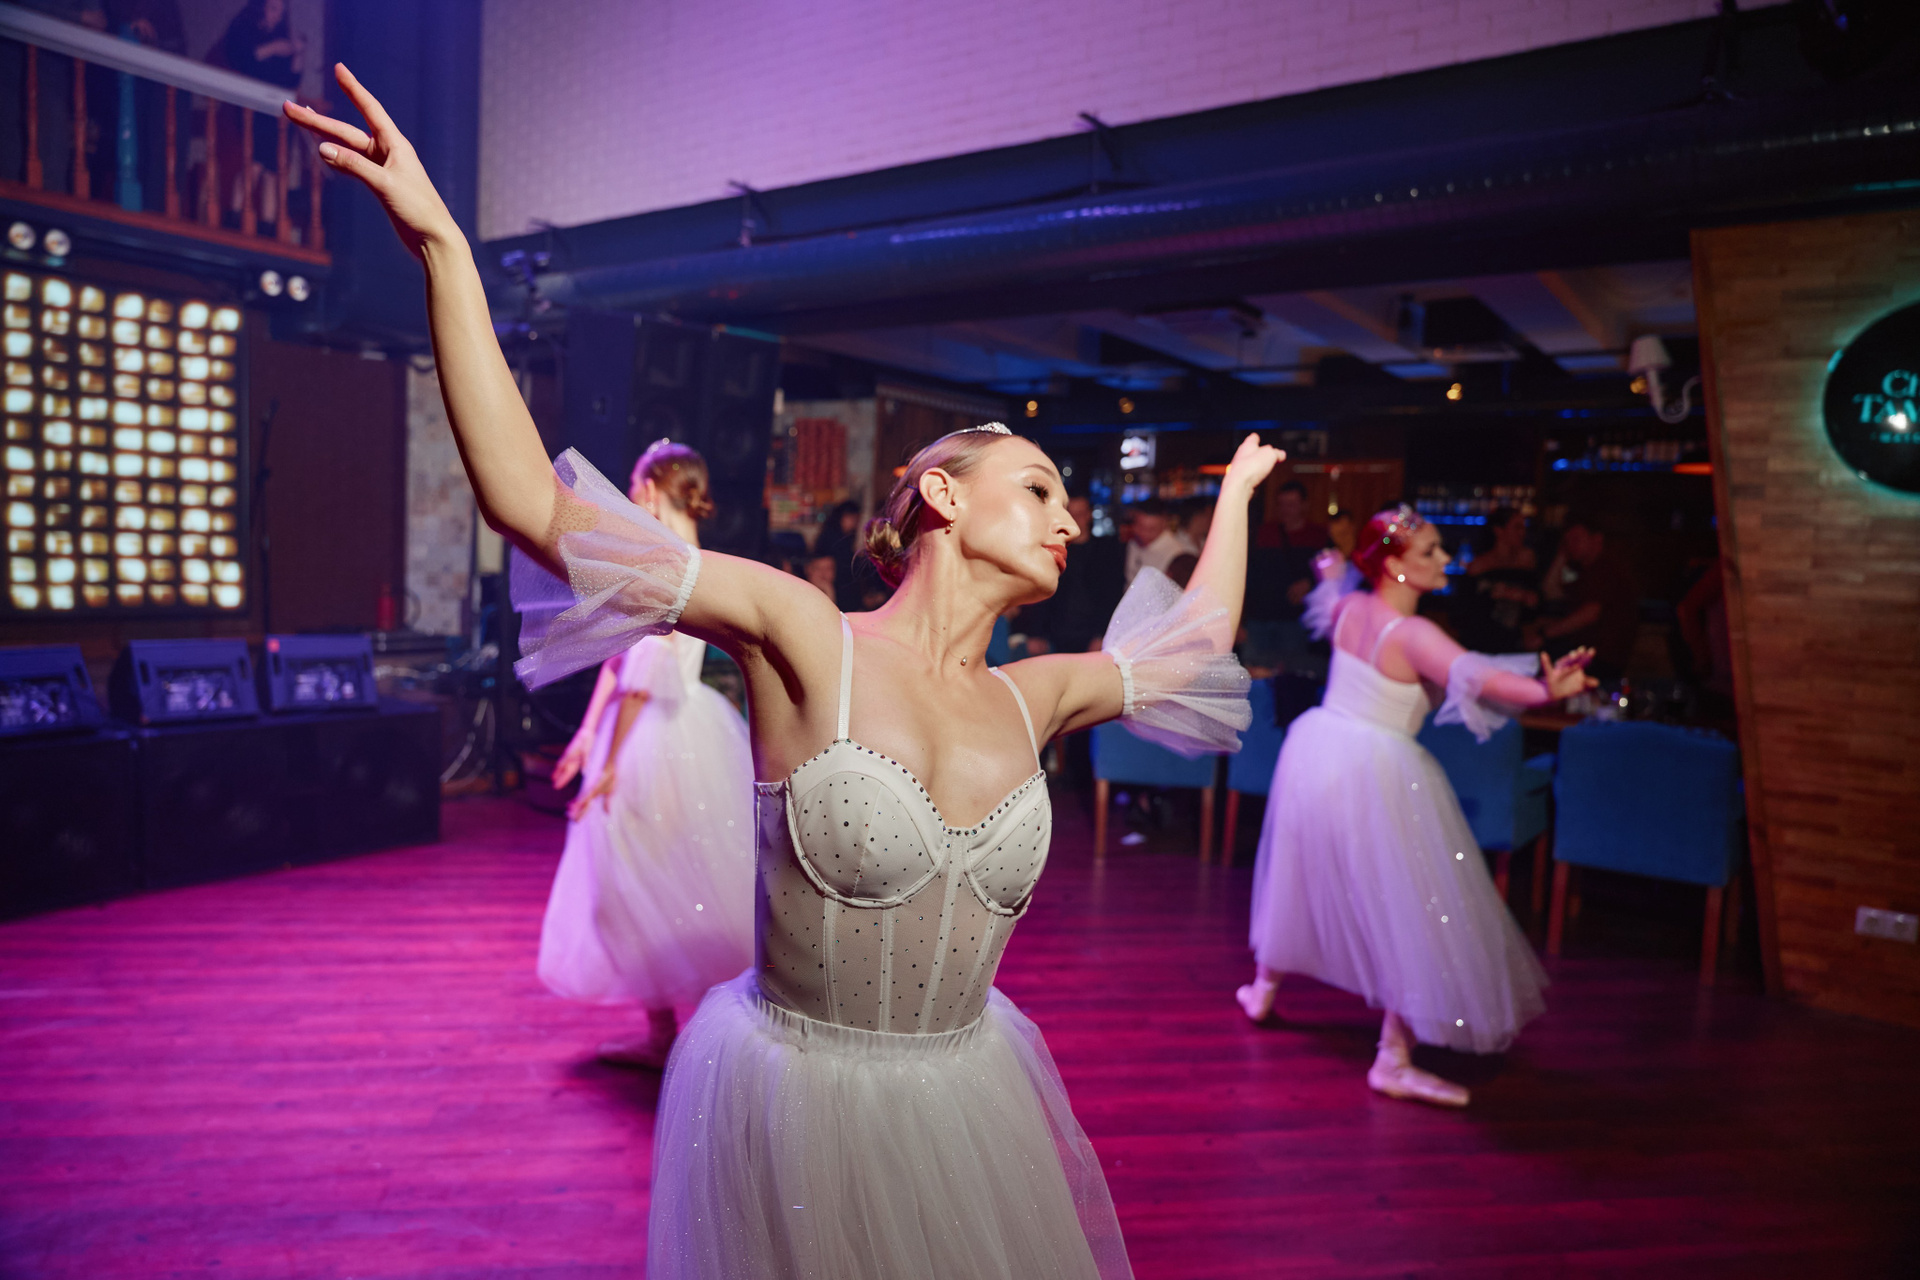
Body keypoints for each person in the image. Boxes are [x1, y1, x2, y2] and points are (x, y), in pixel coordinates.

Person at [289, 68, 1279, 1279]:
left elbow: (1197, 647)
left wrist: (1237, 493)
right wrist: (447, 251)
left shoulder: (1038, 695)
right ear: (942, 494)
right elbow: (535, 507)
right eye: (1040, 488)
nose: (1070, 518)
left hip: (969, 1103)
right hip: (801, 1104)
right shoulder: (808, 636)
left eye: (1069, 501)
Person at [1239, 505, 1594, 1107]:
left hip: (1319, 750)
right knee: (1411, 904)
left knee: (1299, 874)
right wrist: (1543, 690)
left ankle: (1262, 991)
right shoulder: (1413, 634)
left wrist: (1330, 574)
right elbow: (1480, 679)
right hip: (1375, 769)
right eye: (1429, 551)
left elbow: (1332, 601)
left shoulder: (1353, 608)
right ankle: (1393, 1060)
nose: (1444, 560)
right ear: (1396, 567)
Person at [539, 440, 755, 1069]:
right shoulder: (690, 560)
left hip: (654, 736)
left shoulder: (671, 562)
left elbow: (647, 671)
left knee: (651, 882)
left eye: (635, 488)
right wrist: (587, 735)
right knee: (656, 879)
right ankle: (674, 1034)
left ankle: (685, 1037)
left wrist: (610, 762)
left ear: (655, 489)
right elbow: (619, 656)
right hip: (659, 729)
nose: (631, 500)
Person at [1527, 511, 1640, 684]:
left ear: (1597, 539)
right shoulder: (1581, 570)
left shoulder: (1606, 569)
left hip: (1600, 659)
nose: (1571, 545)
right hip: (1582, 653)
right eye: (1567, 541)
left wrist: (1545, 634)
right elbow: (1551, 591)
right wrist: (1562, 554)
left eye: (1576, 539)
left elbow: (1589, 614)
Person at [1455, 505, 1539, 652]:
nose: (1522, 533)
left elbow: (1537, 602)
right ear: (1498, 530)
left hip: (1518, 644)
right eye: (1517, 527)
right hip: (1484, 644)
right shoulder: (1478, 566)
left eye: (1524, 527)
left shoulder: (1528, 561)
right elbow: (1462, 613)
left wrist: (1522, 596)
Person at [1122, 496, 1194, 584]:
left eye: (1151, 530)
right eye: (1140, 527)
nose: (1144, 534)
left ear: (1164, 524)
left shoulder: (1176, 553)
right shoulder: (1133, 542)